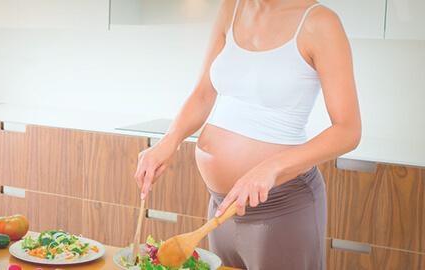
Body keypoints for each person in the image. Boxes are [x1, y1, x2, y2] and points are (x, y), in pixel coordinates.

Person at [135, 0, 361, 269]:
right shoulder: (232, 7)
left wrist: (271, 166)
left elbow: (348, 130)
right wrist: (168, 141)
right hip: (221, 208)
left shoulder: (320, 22)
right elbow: (204, 93)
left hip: (282, 206)